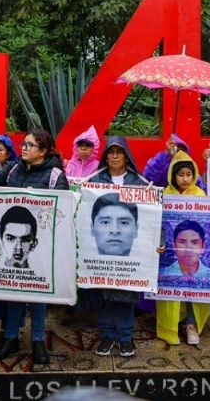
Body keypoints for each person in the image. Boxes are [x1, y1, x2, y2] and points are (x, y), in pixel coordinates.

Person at [0, 128, 68, 364]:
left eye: (29, 145)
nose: (24, 148)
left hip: (40, 247)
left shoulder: (55, 174)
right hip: (14, 243)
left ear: (43, 151)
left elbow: (61, 211)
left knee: (37, 295)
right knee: (13, 290)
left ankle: (38, 341)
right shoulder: (14, 168)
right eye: (23, 144)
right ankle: (11, 338)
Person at [84, 135, 148, 356]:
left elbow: (151, 216)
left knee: (125, 295)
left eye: (119, 152)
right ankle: (107, 336)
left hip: (129, 253)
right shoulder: (94, 181)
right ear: (105, 156)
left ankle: (126, 337)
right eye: (110, 152)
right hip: (101, 253)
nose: (114, 156)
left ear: (126, 156)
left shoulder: (140, 182)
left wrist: (158, 243)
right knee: (105, 295)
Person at [158, 153, 210, 346]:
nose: (185, 178)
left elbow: (207, 223)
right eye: (181, 174)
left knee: (192, 291)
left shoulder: (200, 194)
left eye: (189, 174)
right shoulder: (164, 193)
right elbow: (158, 223)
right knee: (172, 291)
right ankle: (171, 328)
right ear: (173, 175)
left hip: (192, 259)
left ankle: (191, 325)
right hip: (170, 255)